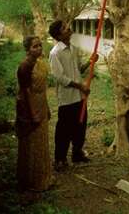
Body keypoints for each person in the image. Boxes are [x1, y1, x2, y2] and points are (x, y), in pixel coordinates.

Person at [48, 20, 96, 172]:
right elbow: (60, 78)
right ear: (58, 35)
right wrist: (79, 86)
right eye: (64, 28)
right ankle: (60, 159)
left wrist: (90, 62)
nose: (68, 28)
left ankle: (77, 153)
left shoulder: (74, 49)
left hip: (80, 96)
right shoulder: (55, 53)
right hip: (67, 98)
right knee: (64, 130)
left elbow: (78, 70)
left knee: (80, 126)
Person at [16, 35, 51, 191]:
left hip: (41, 102)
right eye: (34, 46)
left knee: (41, 141)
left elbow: (42, 89)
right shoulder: (24, 66)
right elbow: (26, 91)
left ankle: (42, 177)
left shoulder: (40, 64)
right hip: (28, 105)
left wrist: (46, 107)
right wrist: (33, 113)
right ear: (27, 49)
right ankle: (29, 180)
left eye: (40, 45)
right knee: (30, 141)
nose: (38, 49)